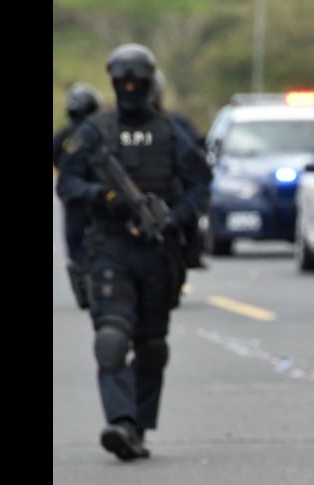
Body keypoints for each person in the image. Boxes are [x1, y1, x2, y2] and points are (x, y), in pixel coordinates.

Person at [57, 43, 211, 461]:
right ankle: (120, 422)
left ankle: (138, 427)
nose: (128, 87)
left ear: (147, 84)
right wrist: (104, 196)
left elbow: (200, 185)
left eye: (135, 81)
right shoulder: (94, 131)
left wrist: (173, 218)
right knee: (110, 339)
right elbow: (67, 184)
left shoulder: (171, 130)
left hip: (158, 254)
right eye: (121, 81)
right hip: (110, 247)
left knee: (151, 346)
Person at [150, 70, 208, 270]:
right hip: (129, 199)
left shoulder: (173, 123)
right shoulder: (110, 126)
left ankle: (191, 256)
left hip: (169, 190)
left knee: (189, 215)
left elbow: (195, 155)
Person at [54, 83, 103, 308]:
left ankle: (88, 285)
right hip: (82, 195)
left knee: (79, 243)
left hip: (85, 195)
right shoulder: (82, 134)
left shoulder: (94, 132)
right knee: (77, 243)